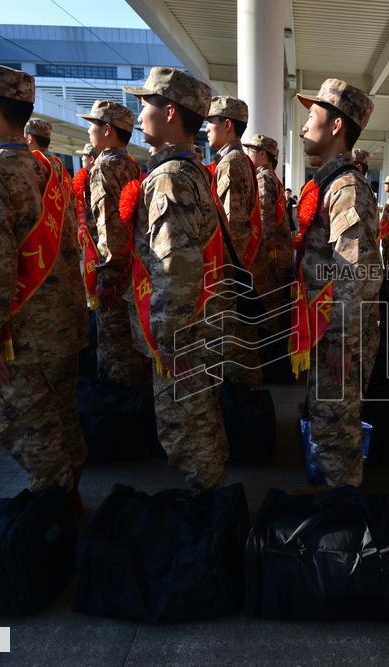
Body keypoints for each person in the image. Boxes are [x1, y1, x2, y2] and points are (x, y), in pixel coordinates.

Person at [0, 63, 89, 513]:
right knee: (63, 419)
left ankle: (54, 523)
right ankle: (70, 503)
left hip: (19, 336)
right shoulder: (49, 168)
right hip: (63, 324)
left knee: (29, 429)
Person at [123, 66, 228, 490]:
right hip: (197, 323)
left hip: (183, 330)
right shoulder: (189, 170)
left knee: (186, 424)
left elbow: (176, 267)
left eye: (145, 103)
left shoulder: (169, 178)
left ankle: (210, 511)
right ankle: (212, 500)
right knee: (198, 415)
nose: (139, 111)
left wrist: (168, 339)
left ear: (169, 112)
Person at [292, 78, 381, 490]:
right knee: (326, 421)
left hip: (337, 332)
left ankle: (343, 520)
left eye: (313, 114)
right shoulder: (330, 183)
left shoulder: (345, 188)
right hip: (324, 327)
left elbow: (353, 274)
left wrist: (341, 347)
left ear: (336, 127)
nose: (304, 123)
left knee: (337, 429)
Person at [79, 99, 149, 388]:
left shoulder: (103, 168)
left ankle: (122, 411)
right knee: (132, 341)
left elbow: (108, 226)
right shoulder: (130, 163)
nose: (89, 132)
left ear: (107, 129)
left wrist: (106, 277)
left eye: (92, 125)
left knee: (114, 348)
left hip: (115, 272)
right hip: (133, 266)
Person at [206, 95, 262, 392]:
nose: (206, 129)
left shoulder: (231, 163)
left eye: (211, 122)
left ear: (227, 125)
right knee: (242, 344)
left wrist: (224, 278)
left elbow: (232, 227)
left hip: (230, 271)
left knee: (235, 347)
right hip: (238, 268)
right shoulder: (239, 161)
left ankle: (244, 409)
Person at [243, 132, 293, 329]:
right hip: (278, 259)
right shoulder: (273, 179)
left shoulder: (263, 180)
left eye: (251, 150)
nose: (248, 155)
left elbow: (263, 224)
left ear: (263, 154)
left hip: (269, 262)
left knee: (268, 318)